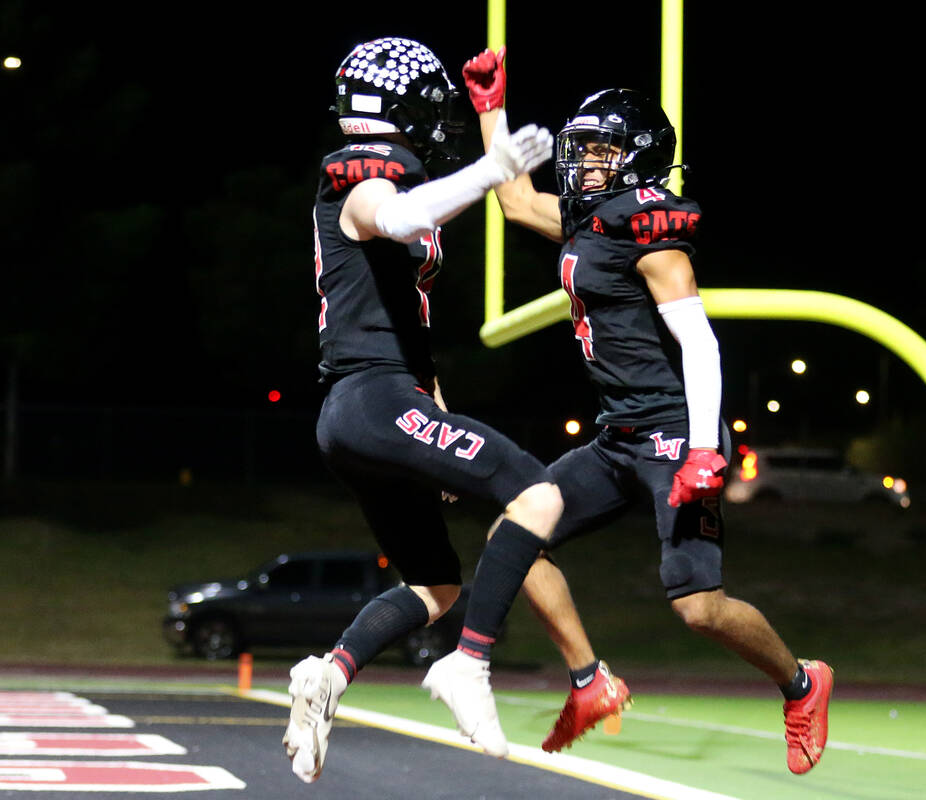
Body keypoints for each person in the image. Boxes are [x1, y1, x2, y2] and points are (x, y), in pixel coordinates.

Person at [460, 47, 834, 774]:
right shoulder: (587, 218)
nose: (585, 164)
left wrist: (702, 448)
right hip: (616, 435)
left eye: (601, 151)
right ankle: (588, 680)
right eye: (582, 151)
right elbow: (511, 198)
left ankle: (800, 682)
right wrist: (491, 113)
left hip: (673, 433)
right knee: (514, 532)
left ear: (639, 158)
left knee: (697, 606)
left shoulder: (650, 232)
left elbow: (699, 342)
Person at [282, 36, 562, 783]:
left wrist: (490, 118)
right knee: (538, 490)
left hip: (374, 405)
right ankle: (469, 664)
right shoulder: (367, 173)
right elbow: (398, 216)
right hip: (371, 399)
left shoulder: (386, 165)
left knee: (434, 585)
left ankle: (328, 677)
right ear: (399, 108)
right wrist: (490, 165)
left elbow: (405, 325)